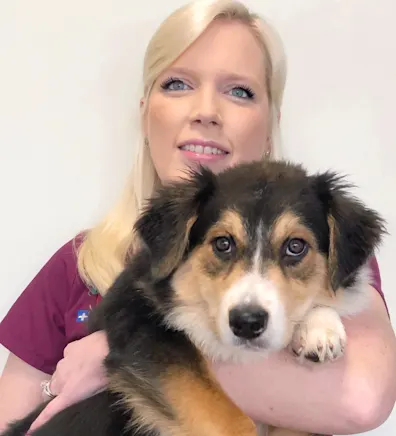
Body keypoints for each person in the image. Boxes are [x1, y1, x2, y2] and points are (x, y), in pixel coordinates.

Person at [0, 0, 395, 435]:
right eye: (177, 84)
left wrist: (116, 353)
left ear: (270, 122)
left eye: (239, 90)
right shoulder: (73, 264)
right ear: (145, 110)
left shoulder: (329, 246)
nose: (205, 110)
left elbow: (362, 399)